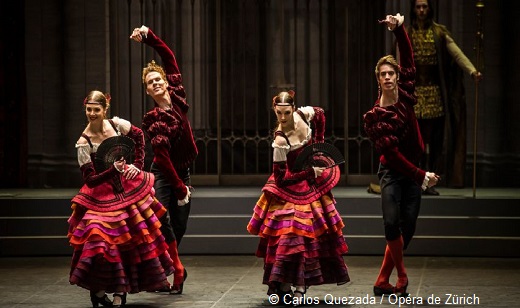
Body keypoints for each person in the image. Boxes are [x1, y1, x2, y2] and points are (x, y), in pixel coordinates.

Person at [68, 90, 174, 307]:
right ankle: (97, 290)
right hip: (100, 195)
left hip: (127, 188)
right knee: (98, 241)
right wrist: (112, 171)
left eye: (96, 109)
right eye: (88, 109)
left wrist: (136, 165)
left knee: (127, 242)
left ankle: (120, 291)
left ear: (104, 109)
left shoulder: (117, 125)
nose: (92, 113)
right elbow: (90, 180)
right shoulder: (83, 142)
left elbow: (139, 137)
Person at [247, 91, 350, 306]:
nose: (283, 118)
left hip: (311, 183)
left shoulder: (304, 116)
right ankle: (284, 283)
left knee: (311, 237)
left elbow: (320, 114)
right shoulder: (280, 139)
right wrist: (310, 172)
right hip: (291, 184)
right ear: (274, 111)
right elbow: (282, 178)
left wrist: (318, 148)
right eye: (279, 113)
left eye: (286, 112)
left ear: (293, 108)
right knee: (289, 236)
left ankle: (302, 286)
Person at [363, 14, 440, 296]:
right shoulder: (376, 117)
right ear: (378, 80)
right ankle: (402, 277)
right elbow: (393, 157)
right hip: (393, 174)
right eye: (382, 74)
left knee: (408, 227)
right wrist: (422, 176)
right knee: (391, 221)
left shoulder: (406, 93)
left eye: (390, 73)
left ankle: (383, 279)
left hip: (414, 170)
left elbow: (409, 60)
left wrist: (399, 31)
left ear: (396, 77)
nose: (387, 77)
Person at [130, 25, 198, 294]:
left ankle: (169, 266)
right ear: (147, 91)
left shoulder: (178, 97)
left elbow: (169, 57)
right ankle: (176, 269)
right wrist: (179, 189)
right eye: (150, 82)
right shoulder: (154, 119)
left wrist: (150, 38)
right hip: (163, 174)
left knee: (179, 226)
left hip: (184, 172)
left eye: (158, 79)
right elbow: (162, 158)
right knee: (161, 221)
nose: (156, 83)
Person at [408, 0, 483, 194]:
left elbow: (456, 53)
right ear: (414, 9)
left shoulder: (439, 32)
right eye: (418, 7)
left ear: (429, 8)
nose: (422, 10)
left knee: (435, 141)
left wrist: (472, 71)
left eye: (424, 6)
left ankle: (430, 181)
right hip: (414, 96)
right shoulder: (407, 33)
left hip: (435, 96)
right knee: (417, 143)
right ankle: (416, 180)